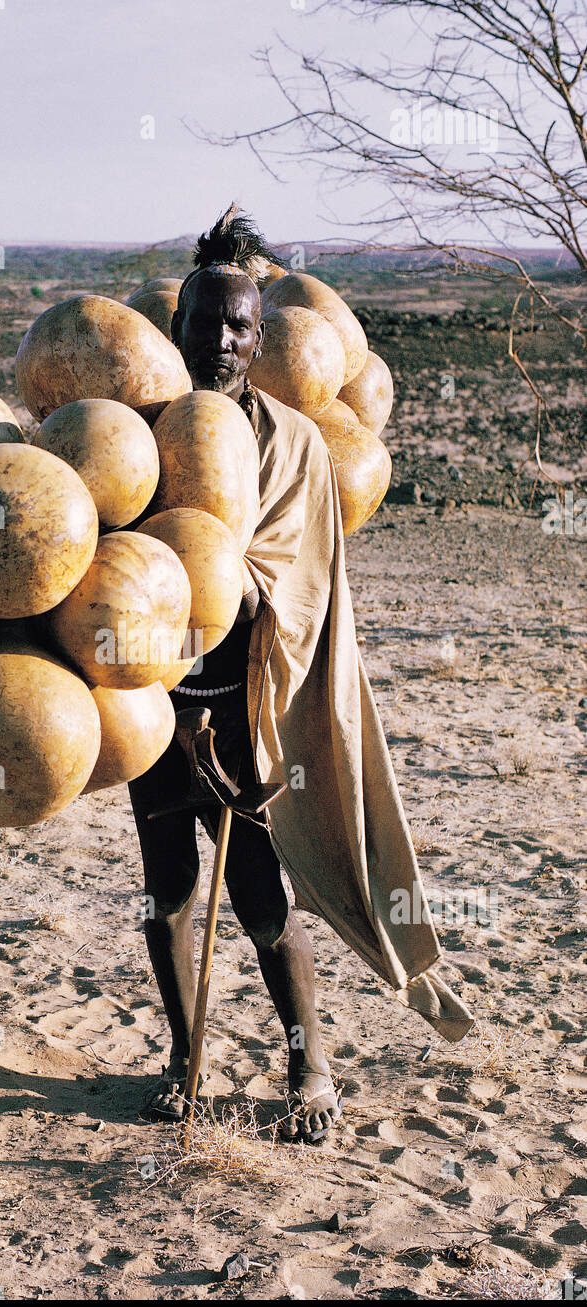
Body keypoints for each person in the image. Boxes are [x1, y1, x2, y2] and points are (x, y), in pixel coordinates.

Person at [129, 205, 473, 1142]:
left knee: (258, 903)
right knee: (164, 891)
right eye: (205, 322)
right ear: (177, 328)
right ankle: (185, 1060)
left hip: (245, 711)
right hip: (152, 712)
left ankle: (307, 1067)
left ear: (259, 336)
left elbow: (295, 585)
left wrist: (211, 567)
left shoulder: (293, 443)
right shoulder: (135, 438)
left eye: (240, 325)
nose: (222, 339)